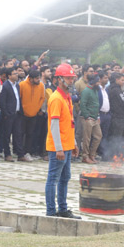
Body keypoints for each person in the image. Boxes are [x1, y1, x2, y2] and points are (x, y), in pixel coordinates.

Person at [44, 64, 81, 219]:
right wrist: (59, 148)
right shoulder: (56, 99)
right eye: (68, 78)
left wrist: (73, 144)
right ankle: (51, 212)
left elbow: (69, 122)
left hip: (66, 145)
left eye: (72, 78)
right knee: (53, 179)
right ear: (59, 79)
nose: (71, 81)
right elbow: (54, 125)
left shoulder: (67, 98)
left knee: (65, 178)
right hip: (58, 147)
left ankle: (63, 209)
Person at [79, 74, 101, 164]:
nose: (99, 83)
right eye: (98, 81)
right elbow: (82, 104)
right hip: (88, 118)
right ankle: (85, 156)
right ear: (93, 82)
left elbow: (96, 104)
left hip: (95, 118)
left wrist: (98, 116)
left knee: (98, 136)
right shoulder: (86, 91)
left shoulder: (95, 90)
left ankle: (92, 155)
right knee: (86, 138)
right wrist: (87, 116)